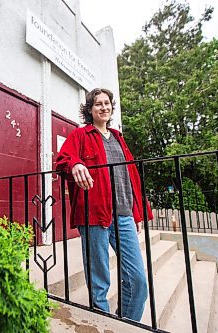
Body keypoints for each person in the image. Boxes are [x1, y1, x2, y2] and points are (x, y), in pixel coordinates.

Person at [55, 88, 153, 321]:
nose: (103, 107)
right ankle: (104, 323)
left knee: (138, 280)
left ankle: (127, 323)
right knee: (99, 281)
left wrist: (136, 214)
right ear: (90, 110)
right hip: (94, 216)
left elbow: (131, 178)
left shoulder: (119, 138)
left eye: (107, 103)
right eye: (98, 104)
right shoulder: (81, 135)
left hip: (124, 215)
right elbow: (63, 160)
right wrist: (76, 164)